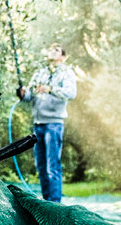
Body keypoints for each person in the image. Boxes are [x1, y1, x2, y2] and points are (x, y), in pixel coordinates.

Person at [16, 42, 77, 202]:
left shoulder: (67, 73)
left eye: (57, 49)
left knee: (52, 166)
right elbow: (29, 96)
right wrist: (23, 93)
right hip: (38, 124)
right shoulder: (39, 73)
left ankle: (55, 204)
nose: (53, 51)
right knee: (41, 167)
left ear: (63, 57)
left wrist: (50, 89)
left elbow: (71, 93)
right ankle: (46, 201)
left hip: (54, 124)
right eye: (51, 48)